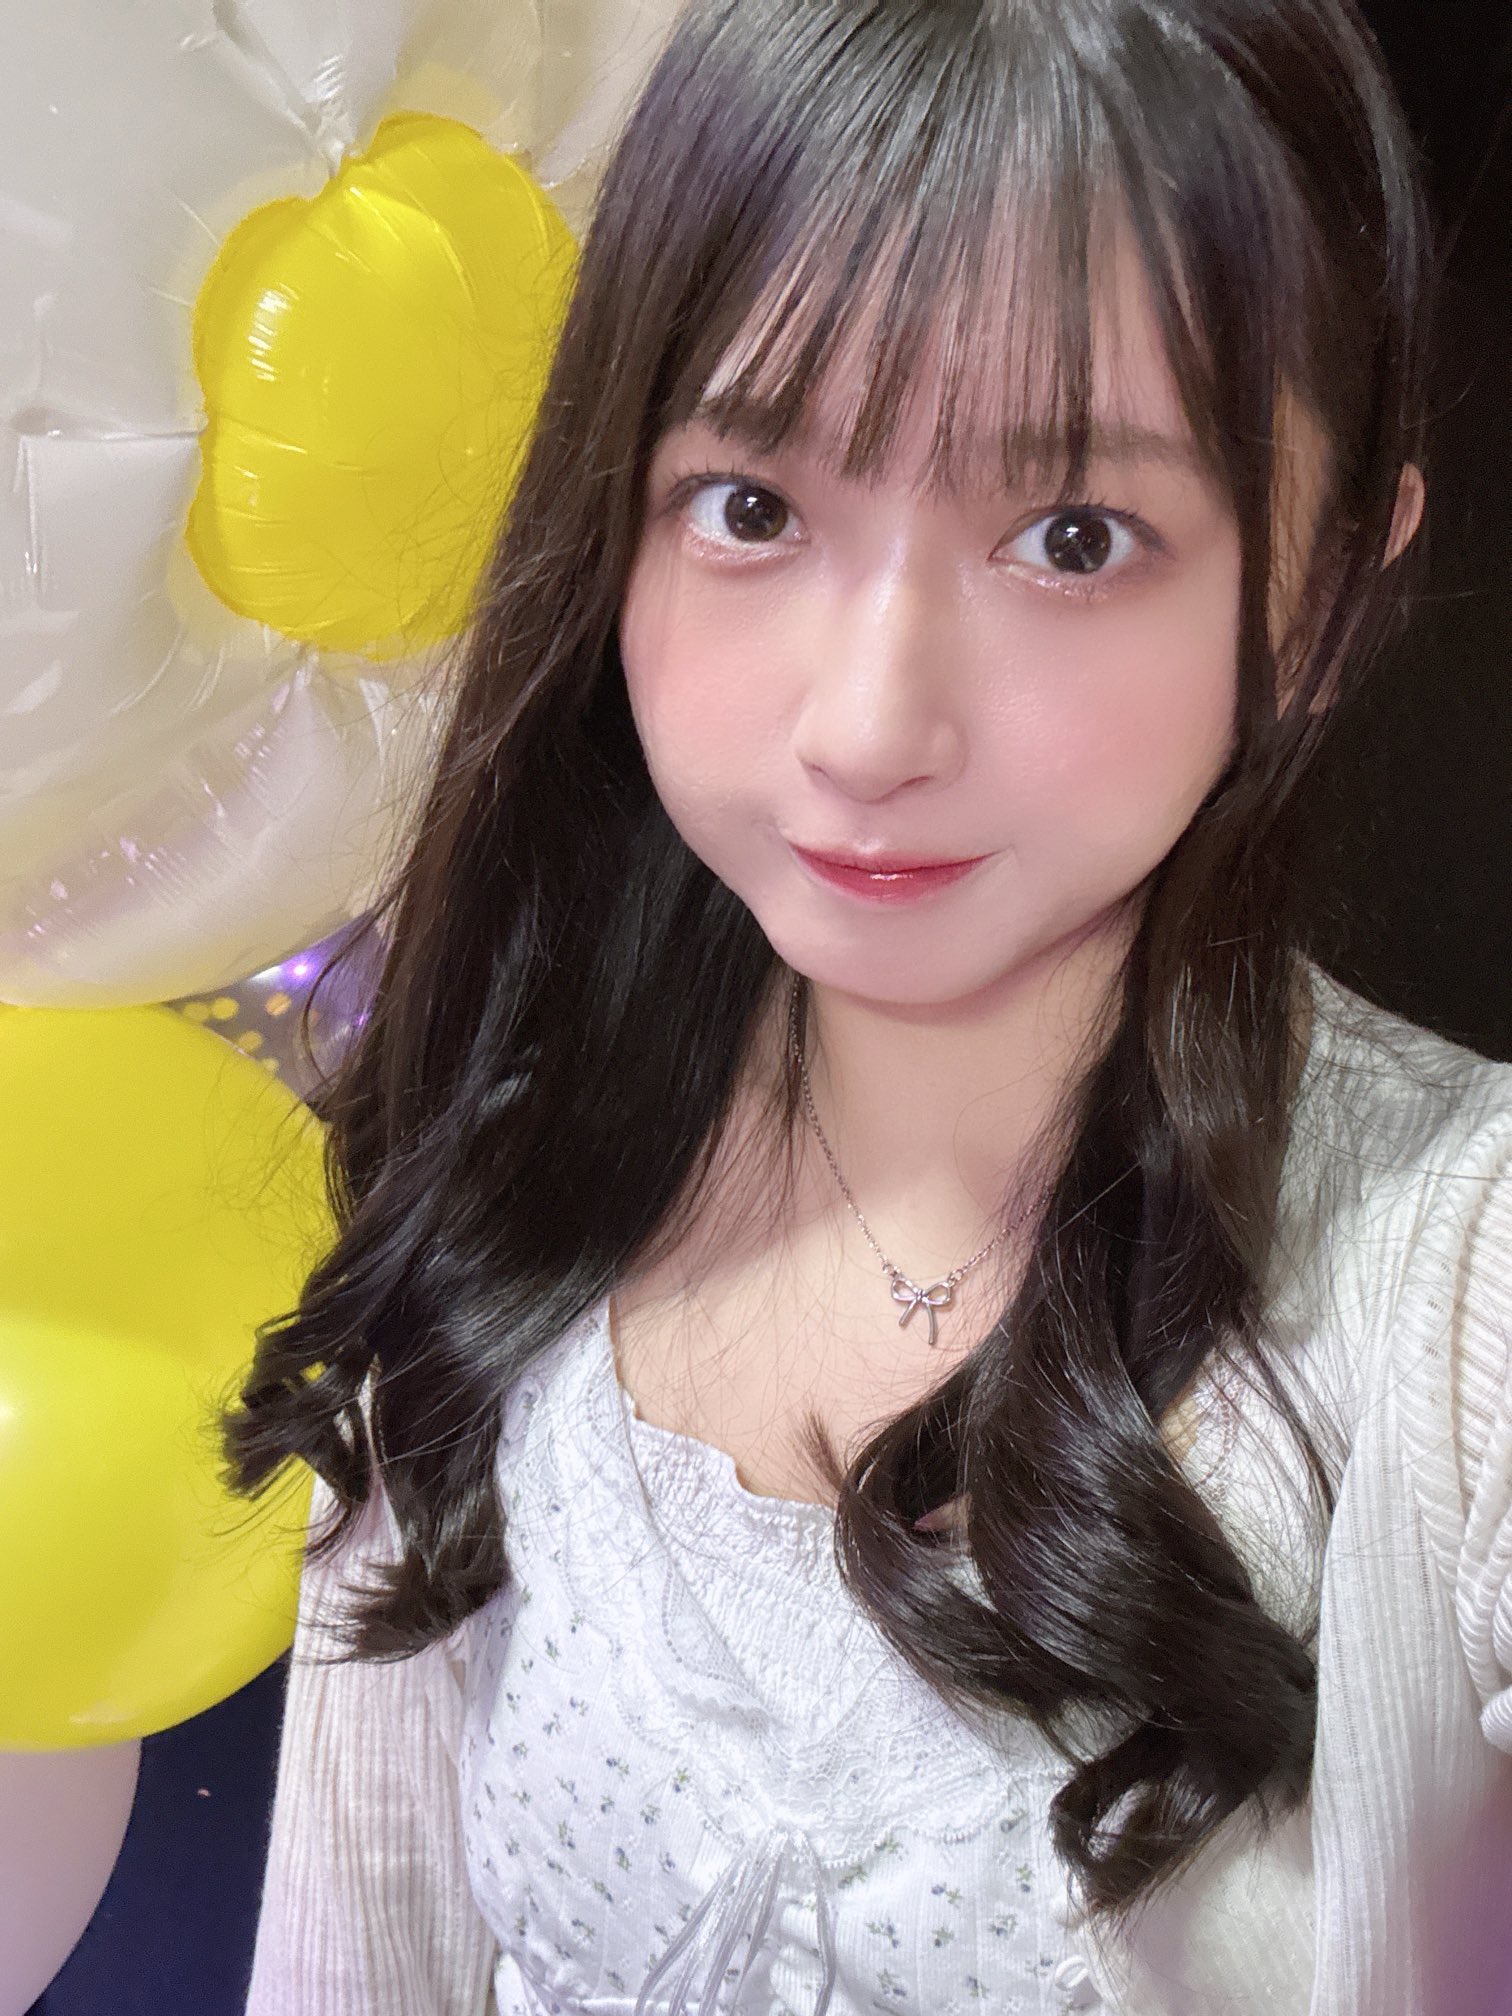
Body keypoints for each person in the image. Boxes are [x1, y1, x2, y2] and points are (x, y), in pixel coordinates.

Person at [228, 1, 1512, 2011]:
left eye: (1072, 539)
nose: (869, 726)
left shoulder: (1452, 1281)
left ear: (1326, 595)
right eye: (751, 506)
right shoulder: (511, 1183)